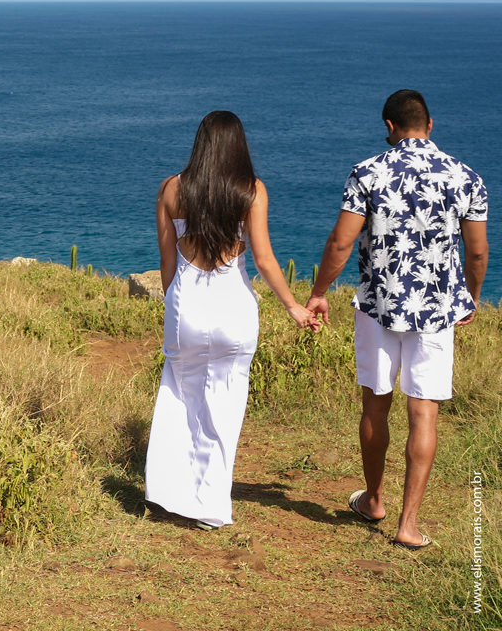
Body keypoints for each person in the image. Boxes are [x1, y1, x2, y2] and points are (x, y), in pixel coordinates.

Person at [307, 89, 488, 550]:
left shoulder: (367, 172)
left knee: (375, 406)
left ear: (389, 127)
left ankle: (373, 500)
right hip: (436, 310)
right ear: (431, 124)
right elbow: (478, 251)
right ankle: (408, 525)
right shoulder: (466, 177)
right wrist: (469, 297)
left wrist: (320, 292)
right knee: (423, 412)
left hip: (376, 306)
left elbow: (341, 243)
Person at [146, 111, 316, 530]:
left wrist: (176, 306)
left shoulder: (171, 189)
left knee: (179, 397)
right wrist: (294, 306)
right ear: (239, 145)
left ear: (200, 143)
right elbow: (264, 260)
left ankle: (169, 495)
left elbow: (168, 266)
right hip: (233, 308)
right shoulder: (252, 191)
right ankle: (210, 507)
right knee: (224, 405)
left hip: (187, 307)